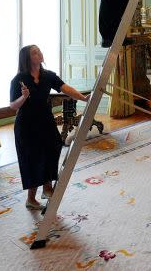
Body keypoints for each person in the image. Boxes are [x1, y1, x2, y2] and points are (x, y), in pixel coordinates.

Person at [9, 44, 89, 211]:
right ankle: (33, 198)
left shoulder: (48, 75)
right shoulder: (19, 79)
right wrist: (24, 97)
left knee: (54, 146)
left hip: (45, 120)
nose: (39, 53)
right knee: (34, 158)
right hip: (26, 125)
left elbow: (65, 88)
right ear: (28, 59)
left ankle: (46, 187)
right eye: (35, 52)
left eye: (39, 50)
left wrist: (83, 98)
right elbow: (13, 106)